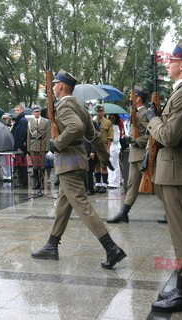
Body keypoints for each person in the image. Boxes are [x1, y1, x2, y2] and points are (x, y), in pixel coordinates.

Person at [31, 69, 126, 270]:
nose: (53, 87)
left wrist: (56, 143)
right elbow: (93, 136)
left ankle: (111, 248)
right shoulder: (80, 107)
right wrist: (104, 157)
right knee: (63, 206)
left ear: (61, 86)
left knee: (82, 206)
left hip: (68, 162)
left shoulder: (65, 106)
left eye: (55, 84)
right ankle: (52, 245)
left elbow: (75, 128)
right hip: (77, 161)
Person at [146, 40, 182, 312]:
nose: (167, 65)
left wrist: (153, 119)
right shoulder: (181, 92)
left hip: (177, 168)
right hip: (172, 169)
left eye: (171, 61)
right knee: (180, 231)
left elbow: (169, 136)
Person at [107, 85, 149, 223]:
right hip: (135, 154)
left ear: (138, 98)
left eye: (132, 96)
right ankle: (123, 212)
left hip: (142, 154)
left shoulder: (144, 113)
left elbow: (152, 134)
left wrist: (138, 141)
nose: (130, 98)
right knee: (131, 184)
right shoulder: (137, 112)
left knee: (157, 185)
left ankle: (171, 210)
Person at [27, 106, 50, 189]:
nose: (36, 113)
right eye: (35, 112)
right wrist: (28, 148)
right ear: (33, 113)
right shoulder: (30, 122)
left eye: (38, 111)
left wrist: (47, 147)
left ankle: (42, 183)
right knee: (35, 166)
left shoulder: (45, 122)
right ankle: (36, 183)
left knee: (42, 165)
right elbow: (28, 136)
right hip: (33, 145)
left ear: (40, 112)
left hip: (42, 145)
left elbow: (48, 135)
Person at [92, 104, 113, 193]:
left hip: (104, 147)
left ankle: (104, 184)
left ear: (103, 112)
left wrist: (108, 148)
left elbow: (110, 137)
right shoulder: (93, 122)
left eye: (100, 111)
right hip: (95, 146)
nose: (99, 113)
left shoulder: (108, 122)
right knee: (96, 165)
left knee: (103, 166)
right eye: (97, 111)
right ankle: (98, 184)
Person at [11, 105, 28, 188]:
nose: (15, 112)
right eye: (15, 110)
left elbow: (22, 134)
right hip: (17, 145)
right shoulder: (18, 120)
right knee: (19, 164)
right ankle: (21, 181)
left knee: (22, 164)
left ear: (21, 110)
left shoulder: (23, 120)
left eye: (17, 110)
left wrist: (20, 146)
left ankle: (24, 182)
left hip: (20, 147)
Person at [107, 114, 121, 189]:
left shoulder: (115, 127)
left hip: (114, 148)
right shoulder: (108, 128)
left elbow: (116, 140)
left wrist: (109, 137)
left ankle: (115, 183)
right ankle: (111, 181)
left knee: (114, 165)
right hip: (110, 148)